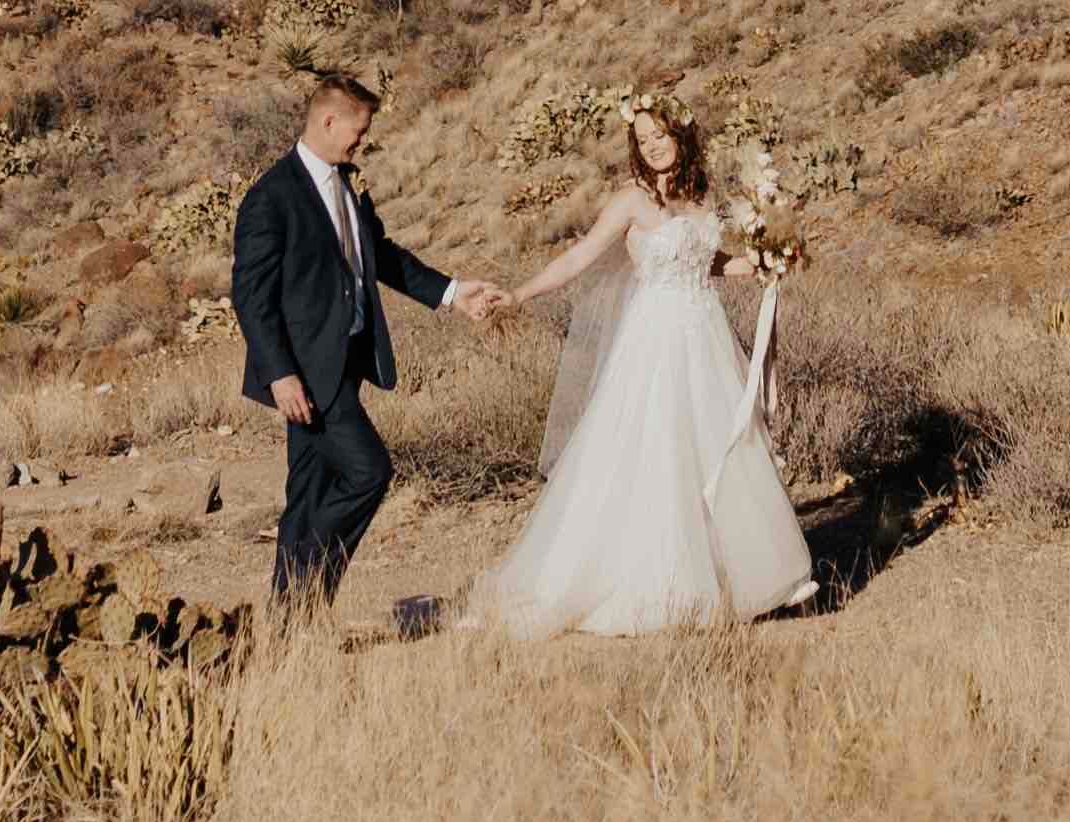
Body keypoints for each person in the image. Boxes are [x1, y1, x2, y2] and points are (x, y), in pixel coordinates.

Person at [465, 94, 816, 638]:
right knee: (655, 453)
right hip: (654, 344)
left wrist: (769, 259)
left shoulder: (700, 200)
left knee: (717, 449)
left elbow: (711, 262)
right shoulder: (630, 202)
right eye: (644, 139)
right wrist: (519, 294)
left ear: (682, 138)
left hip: (704, 338)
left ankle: (740, 580)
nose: (652, 146)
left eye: (662, 136)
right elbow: (579, 258)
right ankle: (659, 584)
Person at [230, 71, 506, 610]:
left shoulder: (345, 184)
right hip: (307, 371)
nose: (363, 140)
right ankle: (310, 585)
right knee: (369, 471)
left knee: (307, 494)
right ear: (328, 120)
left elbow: (382, 258)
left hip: (346, 362)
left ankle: (290, 625)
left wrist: (452, 293)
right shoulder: (272, 197)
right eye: (358, 130)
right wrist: (279, 373)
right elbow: (251, 295)